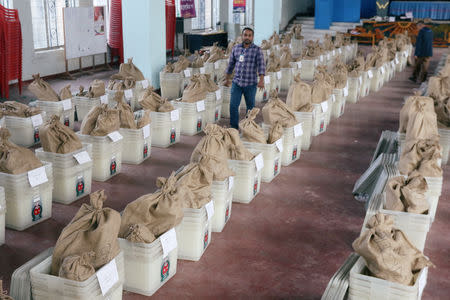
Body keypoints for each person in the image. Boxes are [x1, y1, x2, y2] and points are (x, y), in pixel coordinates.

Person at [225, 27, 266, 129]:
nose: (247, 37)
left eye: (249, 35)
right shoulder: (236, 48)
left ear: (252, 37)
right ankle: (233, 128)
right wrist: (227, 78)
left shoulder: (257, 50)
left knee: (250, 108)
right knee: (233, 106)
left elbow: (261, 65)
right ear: (242, 36)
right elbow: (230, 65)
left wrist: (261, 80)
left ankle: (249, 127)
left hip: (250, 84)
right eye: (245, 35)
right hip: (237, 83)